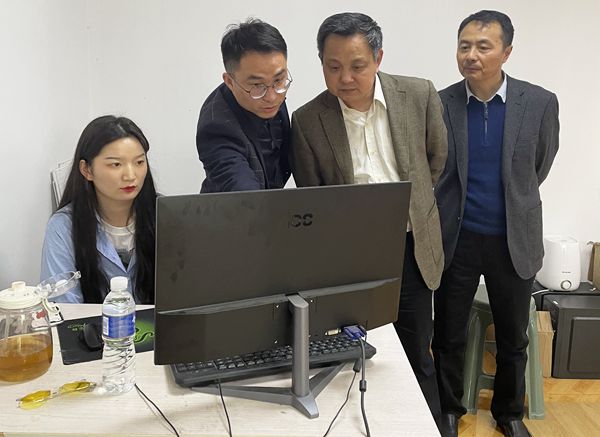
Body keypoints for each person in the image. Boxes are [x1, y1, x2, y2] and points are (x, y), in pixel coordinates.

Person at [290, 12, 447, 428]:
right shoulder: (307, 120)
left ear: (378, 58)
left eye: (357, 65)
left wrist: (412, 208)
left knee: (417, 351)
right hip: (350, 260)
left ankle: (427, 427)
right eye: (333, 66)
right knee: (354, 355)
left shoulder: (418, 94)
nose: (345, 78)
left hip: (411, 248)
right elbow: (313, 193)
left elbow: (436, 160)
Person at [432, 10, 559, 437]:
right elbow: (436, 168)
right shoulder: (441, 102)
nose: (471, 55)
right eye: (464, 46)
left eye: (483, 46)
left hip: (512, 238)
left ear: (506, 51)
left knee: (513, 337)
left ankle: (508, 413)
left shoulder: (539, 102)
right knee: (448, 333)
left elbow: (540, 165)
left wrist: (513, 203)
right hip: (458, 237)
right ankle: (448, 409)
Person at [41, 115, 158, 304]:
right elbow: (63, 306)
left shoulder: (165, 216)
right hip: (91, 324)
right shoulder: (63, 227)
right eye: (116, 164)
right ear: (86, 170)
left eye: (139, 162)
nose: (130, 175)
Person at [196, 18, 292, 192]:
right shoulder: (216, 127)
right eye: (257, 85)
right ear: (229, 81)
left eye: (279, 80)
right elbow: (243, 190)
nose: (271, 97)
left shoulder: (272, 90)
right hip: (235, 206)